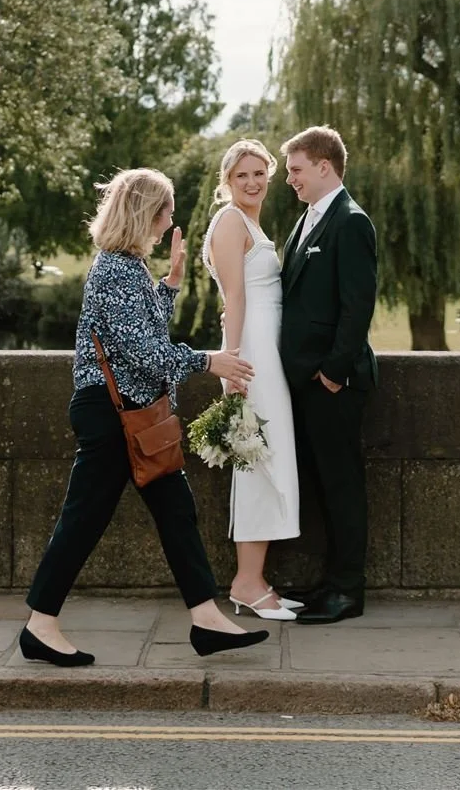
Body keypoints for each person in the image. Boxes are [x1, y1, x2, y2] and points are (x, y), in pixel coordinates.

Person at [20, 167, 266, 665]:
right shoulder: (114, 269)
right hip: (114, 417)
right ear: (147, 214)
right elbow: (145, 354)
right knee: (83, 520)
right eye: (167, 211)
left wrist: (170, 286)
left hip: (135, 416)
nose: (170, 220)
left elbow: (142, 331)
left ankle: (206, 619)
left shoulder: (127, 270)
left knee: (176, 513)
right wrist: (208, 360)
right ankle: (39, 625)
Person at [276, 125, 378, 626]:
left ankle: (347, 592)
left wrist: (333, 375)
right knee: (322, 486)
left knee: (341, 486)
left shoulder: (351, 221)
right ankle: (329, 583)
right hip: (305, 382)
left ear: (324, 166)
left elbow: (357, 306)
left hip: (332, 384)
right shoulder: (310, 218)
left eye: (295, 170)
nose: (289, 179)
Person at [201, 140, 301, 621]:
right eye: (242, 175)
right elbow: (235, 299)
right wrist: (233, 363)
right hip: (253, 355)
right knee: (257, 457)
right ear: (227, 180)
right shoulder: (229, 221)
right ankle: (246, 582)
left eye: (259, 173)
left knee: (264, 453)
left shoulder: (252, 223)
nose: (252, 182)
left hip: (265, 351)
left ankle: (255, 579)